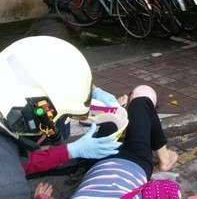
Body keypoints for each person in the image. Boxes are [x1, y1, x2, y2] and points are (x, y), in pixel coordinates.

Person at [0, 36, 121, 198]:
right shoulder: (10, 189)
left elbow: (19, 161)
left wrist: (71, 150)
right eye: (55, 124)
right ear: (29, 120)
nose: (56, 131)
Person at [66, 85, 197, 199]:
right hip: (135, 164)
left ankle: (117, 107)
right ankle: (164, 158)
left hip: (97, 160)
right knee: (142, 97)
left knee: (112, 114)